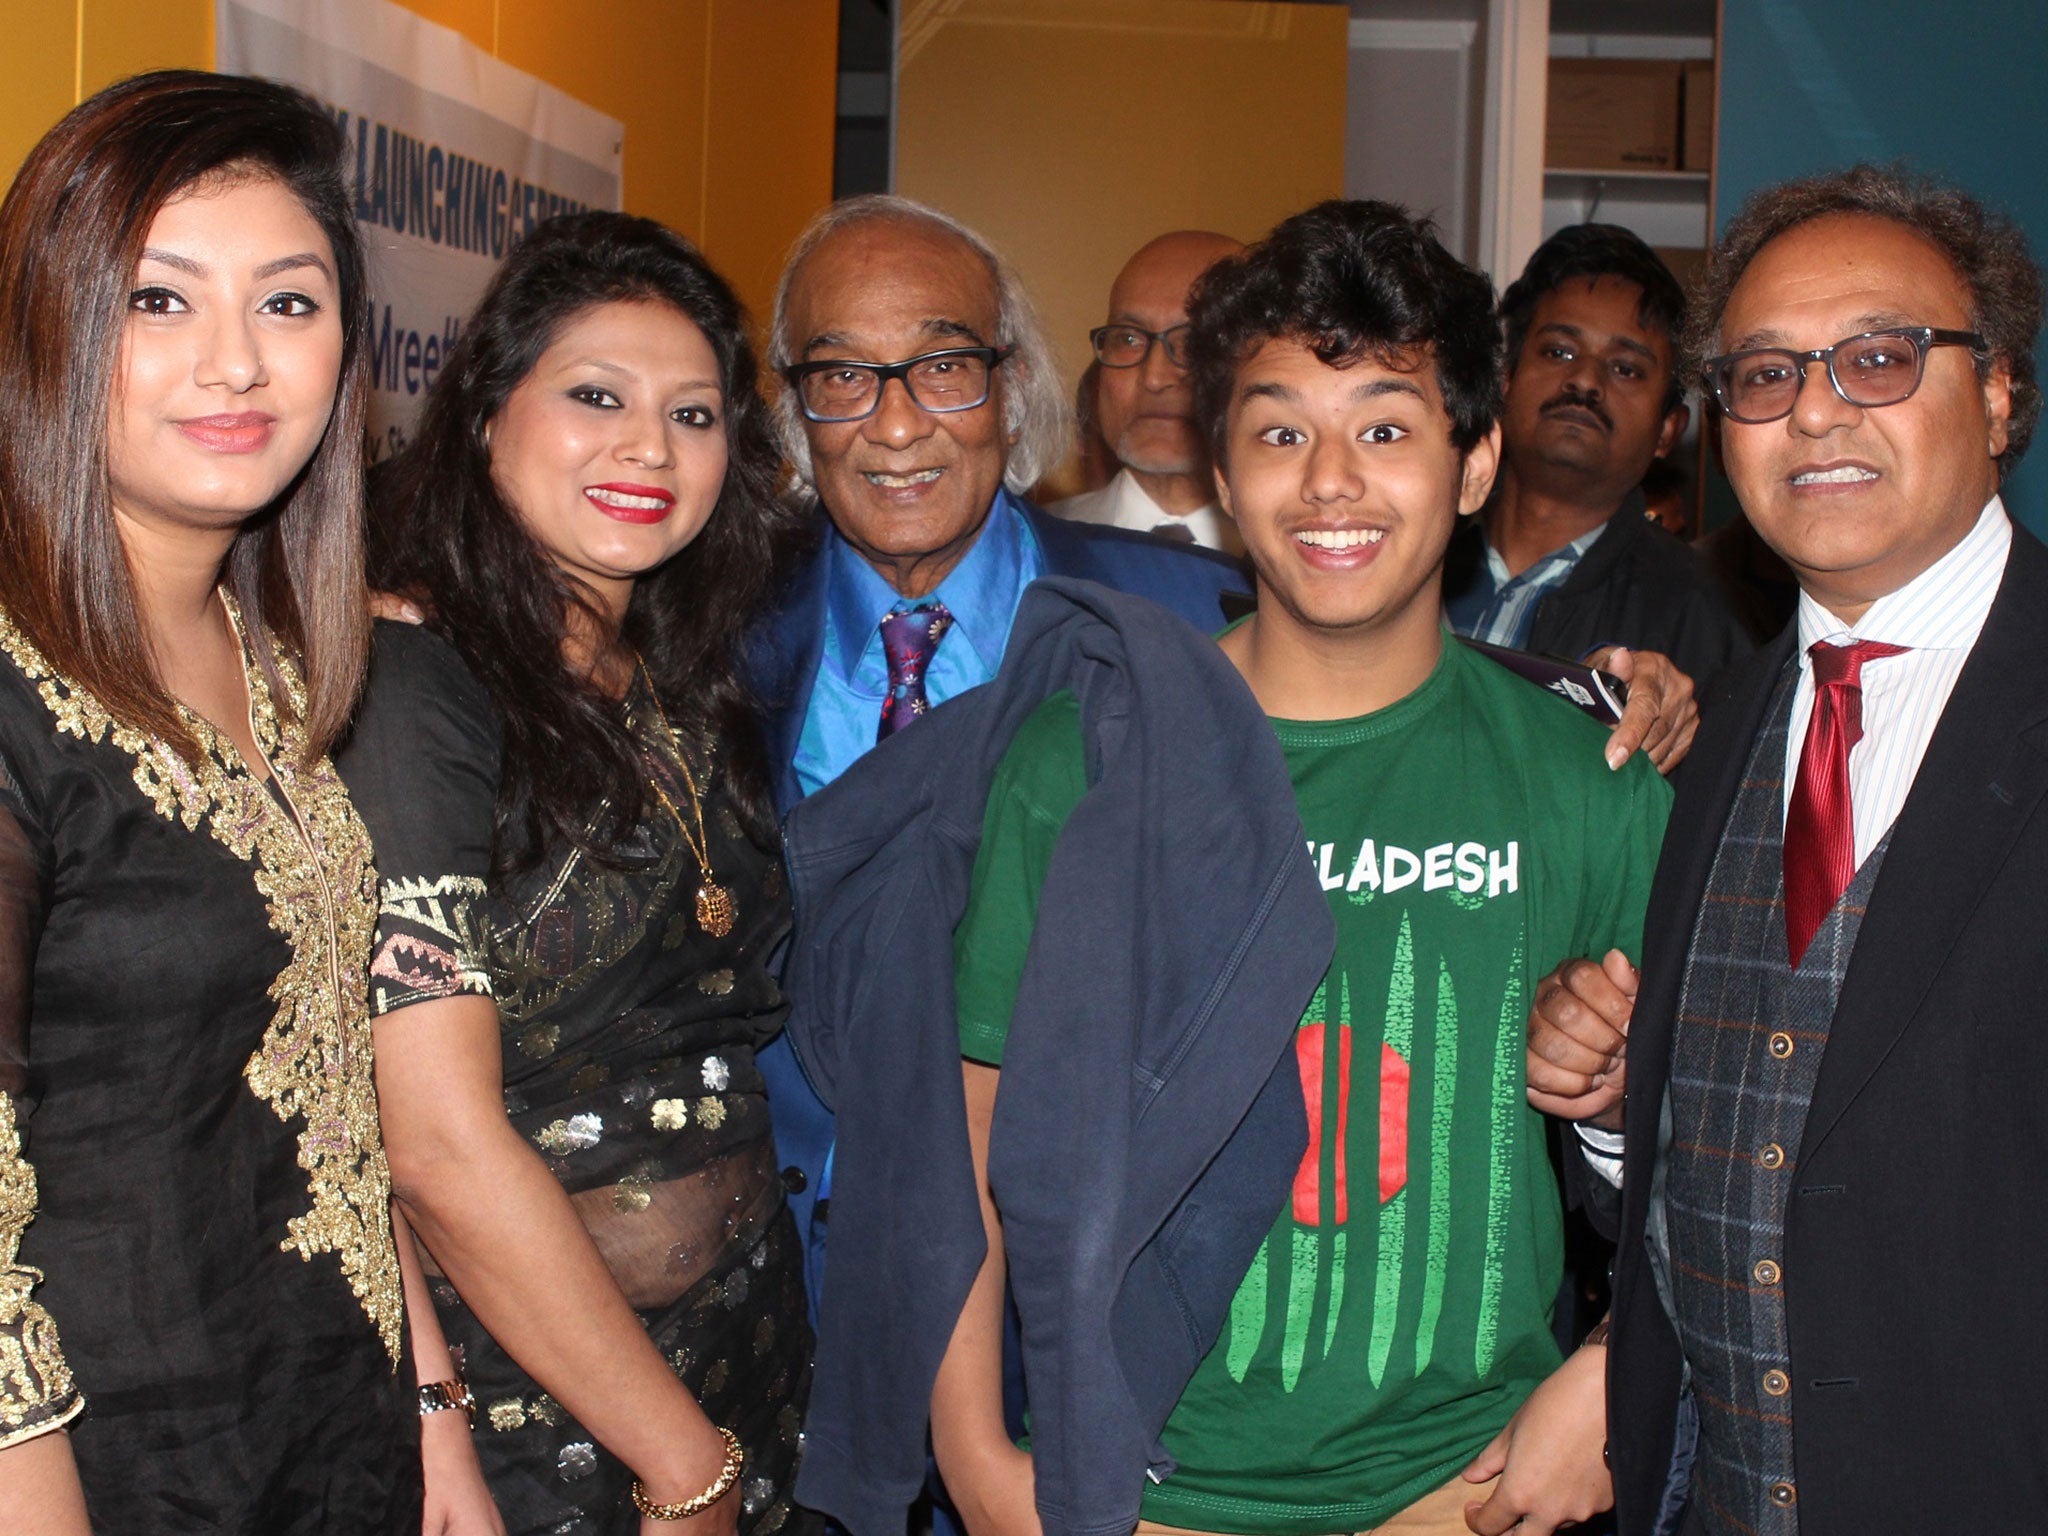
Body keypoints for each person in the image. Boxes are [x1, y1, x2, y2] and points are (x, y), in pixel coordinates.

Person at [779, 199, 1674, 1536]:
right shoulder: (1089, 752)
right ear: (1223, 461)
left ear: (1474, 464)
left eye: (1385, 428)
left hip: (1466, 1493)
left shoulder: (1582, 780)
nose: (1329, 484)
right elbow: (962, 1121)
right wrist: (974, 1456)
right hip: (1134, 1493)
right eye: (1279, 433)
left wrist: (1616, 1372)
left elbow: (1692, 1148)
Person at [1525, 166, 2046, 1534]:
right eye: (1763, 374)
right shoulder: (1722, 724)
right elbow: (1771, 1143)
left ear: (1997, 392)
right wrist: (1626, 1120)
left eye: (1877, 356)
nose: (1813, 407)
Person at [339, 213, 815, 1536]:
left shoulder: (665, 661)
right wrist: (683, 1464)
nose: (649, 449)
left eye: (695, 414)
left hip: (738, 1351)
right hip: (536, 1413)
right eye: (596, 396)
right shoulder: (415, 685)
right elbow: (429, 1142)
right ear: (488, 413)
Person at [0, 71, 430, 1532]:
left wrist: (427, 1410)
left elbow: (332, 1108)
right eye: (159, 301)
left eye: (290, 304)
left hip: (322, 1443)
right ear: (47, 326)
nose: (236, 364)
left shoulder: (278, 660)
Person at [746, 195, 1251, 1308]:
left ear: (1013, 386)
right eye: (840, 376)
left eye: (942, 366)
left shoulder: (1192, 620)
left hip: (1074, 1299)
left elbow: (1405, 690)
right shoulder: (706, 641)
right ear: (791, 416)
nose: (893, 426)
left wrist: (1613, 691)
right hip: (778, 1307)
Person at [1444, 225, 1751, 740]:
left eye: (1626, 368)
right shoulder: (1401, 550)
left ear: (1668, 429)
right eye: (1559, 351)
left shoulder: (1708, 623)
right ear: (1503, 382)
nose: (1584, 381)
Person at [1051, 231, 1247, 554]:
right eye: (1128, 339)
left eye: (1193, 342)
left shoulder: (1315, 560)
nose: (1155, 378)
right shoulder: (1028, 549)